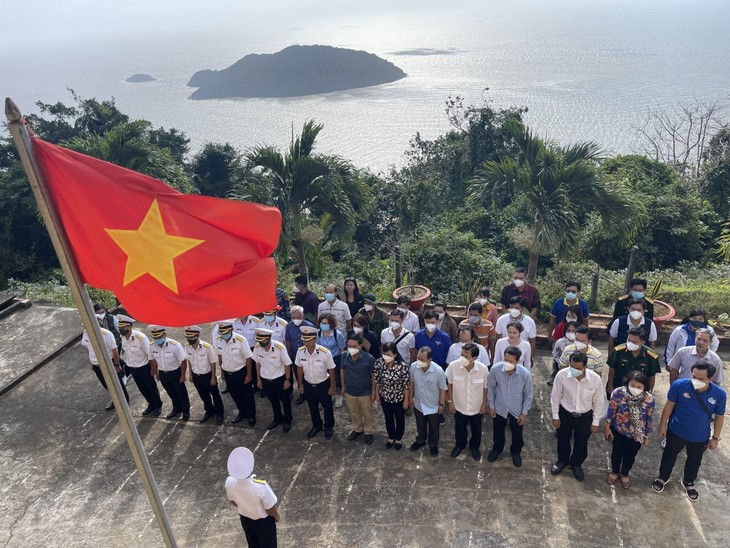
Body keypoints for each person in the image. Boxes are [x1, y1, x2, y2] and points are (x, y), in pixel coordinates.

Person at [652, 360, 726, 502]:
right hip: (676, 431)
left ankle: (688, 481)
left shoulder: (719, 394)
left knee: (694, 460)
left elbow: (719, 416)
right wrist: (662, 425)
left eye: (701, 379)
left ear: (710, 379)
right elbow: (669, 406)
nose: (696, 381)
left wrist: (715, 438)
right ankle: (663, 477)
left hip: (700, 436)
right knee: (669, 455)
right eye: (694, 376)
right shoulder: (679, 385)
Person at [550, 353, 604, 481]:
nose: (574, 370)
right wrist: (555, 416)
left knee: (581, 442)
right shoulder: (562, 375)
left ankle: (576, 464)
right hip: (565, 413)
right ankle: (562, 461)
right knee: (563, 439)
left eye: (578, 368)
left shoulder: (595, 379)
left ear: (585, 366)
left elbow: (599, 401)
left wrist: (596, 421)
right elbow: (555, 396)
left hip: (585, 416)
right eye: (572, 366)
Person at [604, 371, 655, 489]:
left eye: (639, 387)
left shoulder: (649, 399)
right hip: (619, 430)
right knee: (616, 452)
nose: (635, 388)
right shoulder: (618, 393)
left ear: (644, 387)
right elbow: (611, 411)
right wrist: (607, 428)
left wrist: (647, 436)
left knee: (630, 455)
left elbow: (649, 418)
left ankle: (625, 473)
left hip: (637, 434)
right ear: (627, 383)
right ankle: (615, 471)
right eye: (632, 385)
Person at [487, 346, 534, 467]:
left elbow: (528, 394)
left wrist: (524, 413)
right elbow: (491, 388)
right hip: (499, 407)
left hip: (516, 410)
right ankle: (497, 449)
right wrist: (491, 406)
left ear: (517, 361)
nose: (507, 363)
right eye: (505, 360)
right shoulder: (495, 369)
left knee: (517, 433)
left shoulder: (525, 374)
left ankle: (516, 452)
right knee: (498, 431)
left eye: (510, 361)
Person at [225, 446, 279, 548]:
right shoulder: (259, 486)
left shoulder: (229, 482)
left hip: (245, 518)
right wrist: (276, 516)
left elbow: (232, 501)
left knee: (253, 544)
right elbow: (269, 508)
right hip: (263, 522)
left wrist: (245, 506)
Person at [445, 343, 489, 460]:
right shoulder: (453, 366)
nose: (462, 358)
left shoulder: (483, 369)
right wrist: (450, 401)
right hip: (459, 405)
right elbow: (449, 384)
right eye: (461, 355)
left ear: (474, 358)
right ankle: (460, 444)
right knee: (459, 427)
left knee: (476, 428)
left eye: (466, 356)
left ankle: (474, 447)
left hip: (476, 406)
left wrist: (484, 403)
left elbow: (485, 388)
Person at [295, 326, 336, 439]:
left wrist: (332, 386)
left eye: (309, 340)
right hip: (308, 384)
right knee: (312, 407)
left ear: (315, 339)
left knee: (327, 407)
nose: (306, 343)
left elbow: (331, 369)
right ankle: (316, 425)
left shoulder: (324, 352)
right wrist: (300, 384)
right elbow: (299, 368)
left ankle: (328, 427)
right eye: (304, 340)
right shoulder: (300, 352)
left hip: (323, 384)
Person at [117, 314, 162, 416]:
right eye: (119, 327)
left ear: (129, 326)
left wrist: (153, 369)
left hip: (144, 367)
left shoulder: (140, 338)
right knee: (142, 388)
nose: (121, 329)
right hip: (133, 367)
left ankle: (157, 405)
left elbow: (150, 355)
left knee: (151, 387)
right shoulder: (123, 338)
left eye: (123, 327)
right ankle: (150, 403)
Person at [215, 319, 256, 426]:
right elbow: (220, 356)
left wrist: (249, 374)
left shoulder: (241, 340)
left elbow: (248, 358)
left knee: (247, 396)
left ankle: (251, 415)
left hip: (241, 373)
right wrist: (222, 372)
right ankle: (242, 413)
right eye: (222, 333)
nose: (224, 335)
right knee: (235, 395)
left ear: (232, 329)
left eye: (226, 333)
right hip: (228, 373)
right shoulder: (219, 340)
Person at [252, 328, 293, 432]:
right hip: (265, 379)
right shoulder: (257, 347)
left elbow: (287, 364)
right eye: (259, 341)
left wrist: (287, 379)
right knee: (273, 401)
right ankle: (277, 417)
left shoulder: (279, 347)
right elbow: (257, 363)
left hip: (279, 379)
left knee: (285, 400)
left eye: (263, 341)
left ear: (269, 338)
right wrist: (258, 379)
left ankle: (288, 420)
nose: (261, 343)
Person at [81, 320, 128, 411]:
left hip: (108, 363)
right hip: (96, 365)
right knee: (107, 385)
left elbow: (114, 351)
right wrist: (92, 362)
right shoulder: (85, 333)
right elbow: (88, 348)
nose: (85, 328)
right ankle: (116, 401)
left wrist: (116, 365)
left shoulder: (106, 334)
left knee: (117, 383)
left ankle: (125, 401)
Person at [409, 347, 447, 456]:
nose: (419, 361)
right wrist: (411, 397)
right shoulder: (413, 367)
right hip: (418, 403)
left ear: (430, 360)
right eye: (418, 358)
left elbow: (443, 389)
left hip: (433, 405)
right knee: (420, 424)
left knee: (434, 426)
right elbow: (411, 382)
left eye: (422, 359)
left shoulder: (438, 371)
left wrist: (441, 404)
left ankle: (433, 444)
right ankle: (420, 440)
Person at [184, 325, 224, 425]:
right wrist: (190, 374)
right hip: (196, 375)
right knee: (203, 395)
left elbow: (212, 362)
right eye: (187, 337)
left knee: (215, 395)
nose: (189, 339)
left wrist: (213, 377)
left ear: (197, 335)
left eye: (191, 337)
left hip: (207, 375)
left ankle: (219, 413)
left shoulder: (207, 347)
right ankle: (209, 411)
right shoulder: (187, 347)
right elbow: (189, 360)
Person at [373, 342, 411, 450]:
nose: (386, 356)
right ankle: (391, 437)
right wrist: (377, 395)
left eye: (388, 354)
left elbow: (406, 385)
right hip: (385, 396)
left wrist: (406, 401)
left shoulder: (402, 366)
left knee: (399, 419)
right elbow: (377, 380)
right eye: (384, 353)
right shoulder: (379, 363)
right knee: (388, 418)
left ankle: (398, 438)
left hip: (398, 398)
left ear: (394, 354)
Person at [148, 326, 190, 421]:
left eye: (158, 337)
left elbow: (183, 361)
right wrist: (156, 373)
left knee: (181, 392)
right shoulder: (151, 346)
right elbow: (152, 360)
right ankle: (176, 408)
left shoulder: (174, 345)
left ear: (164, 334)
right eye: (155, 337)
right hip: (163, 373)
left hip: (175, 372)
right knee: (171, 392)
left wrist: (183, 375)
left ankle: (186, 410)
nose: (157, 339)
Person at [341, 333, 376, 445]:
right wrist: (343, 386)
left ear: (360, 346)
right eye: (349, 346)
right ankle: (357, 429)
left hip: (365, 392)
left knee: (367, 413)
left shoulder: (369, 358)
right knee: (354, 412)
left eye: (354, 346)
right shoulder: (344, 356)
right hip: (350, 391)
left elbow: (373, 376)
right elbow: (342, 371)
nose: (351, 348)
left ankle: (368, 432)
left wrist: (374, 391)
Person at [606, 327, 661, 397]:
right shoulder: (618, 351)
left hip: (638, 391)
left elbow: (652, 376)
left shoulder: (651, 356)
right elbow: (612, 369)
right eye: (628, 340)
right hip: (618, 388)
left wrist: (649, 392)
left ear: (642, 343)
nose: (630, 343)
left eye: (634, 342)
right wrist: (610, 386)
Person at [285, 305, 313, 406]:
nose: (296, 319)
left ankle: (310, 394)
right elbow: (287, 341)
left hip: (308, 356)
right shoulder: (288, 326)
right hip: (295, 356)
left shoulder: (309, 326)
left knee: (309, 374)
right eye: (294, 317)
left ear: (303, 315)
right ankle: (302, 393)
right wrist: (288, 354)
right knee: (298, 375)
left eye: (298, 317)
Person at [316, 313, 346, 408]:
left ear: (331, 324)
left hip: (335, 358)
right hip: (323, 359)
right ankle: (329, 395)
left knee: (337, 378)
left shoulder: (338, 334)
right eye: (322, 323)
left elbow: (342, 349)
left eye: (326, 323)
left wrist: (342, 364)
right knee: (326, 378)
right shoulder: (318, 333)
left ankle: (338, 395)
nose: (324, 325)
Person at [547, 321, 578, 386]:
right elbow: (555, 353)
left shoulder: (580, 343)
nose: (570, 333)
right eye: (568, 331)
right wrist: (560, 363)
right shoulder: (560, 342)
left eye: (573, 331)